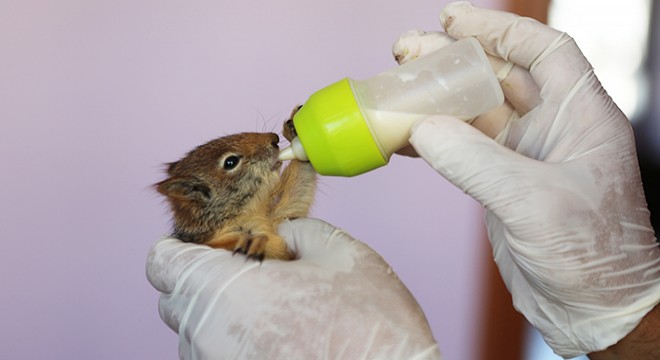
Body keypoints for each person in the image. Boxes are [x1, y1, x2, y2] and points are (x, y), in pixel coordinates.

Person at [146, 2, 660, 359]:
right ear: (202, 197)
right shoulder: (216, 238)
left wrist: (618, 314)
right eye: (235, 163)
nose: (266, 146)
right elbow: (270, 237)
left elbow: (286, 210)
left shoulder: (265, 213)